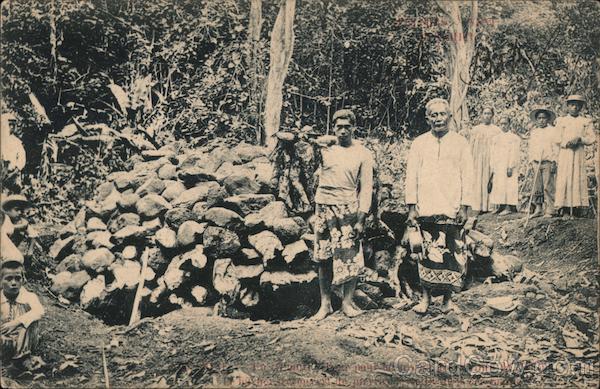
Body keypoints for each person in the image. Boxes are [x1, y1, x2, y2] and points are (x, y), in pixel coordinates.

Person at [405, 98, 474, 314]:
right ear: (427, 119)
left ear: (450, 117)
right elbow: (411, 176)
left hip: (451, 207)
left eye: (442, 114)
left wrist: (464, 206)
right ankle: (425, 300)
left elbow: (468, 176)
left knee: (451, 255)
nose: (438, 119)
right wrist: (412, 207)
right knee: (426, 254)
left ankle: (446, 301)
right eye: (433, 115)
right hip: (426, 208)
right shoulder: (419, 143)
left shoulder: (461, 143)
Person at [311, 109, 374, 320]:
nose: (343, 131)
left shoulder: (363, 153)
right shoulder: (324, 149)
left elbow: (366, 187)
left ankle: (347, 302)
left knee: (350, 256)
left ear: (354, 128)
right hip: (324, 206)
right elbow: (304, 151)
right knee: (323, 256)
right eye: (339, 127)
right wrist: (319, 142)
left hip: (349, 207)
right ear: (333, 128)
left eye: (348, 126)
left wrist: (361, 217)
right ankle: (325, 303)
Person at [1, 211, 44, 370]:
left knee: (29, 321)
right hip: (4, 340)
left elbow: (39, 311)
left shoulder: (28, 296)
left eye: (17, 279)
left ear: (23, 280)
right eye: (9, 279)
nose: (13, 283)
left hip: (22, 338)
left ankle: (21, 359)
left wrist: (17, 322)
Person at [554, 95, 597, 218]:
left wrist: (580, 139)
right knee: (565, 177)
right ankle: (565, 208)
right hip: (565, 153)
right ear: (567, 106)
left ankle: (577, 207)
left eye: (578, 105)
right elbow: (556, 138)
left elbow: (591, 138)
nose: (575, 107)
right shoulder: (561, 121)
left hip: (578, 152)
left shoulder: (585, 121)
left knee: (578, 177)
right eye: (572, 104)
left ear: (581, 107)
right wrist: (566, 143)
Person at [466, 107, 502, 214]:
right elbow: (471, 146)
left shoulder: (497, 130)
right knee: (478, 180)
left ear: (492, 115)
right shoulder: (476, 129)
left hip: (491, 158)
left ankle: (489, 206)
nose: (487, 116)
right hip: (478, 159)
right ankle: (479, 206)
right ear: (482, 115)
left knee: (490, 180)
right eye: (485, 113)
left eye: (489, 113)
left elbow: (500, 147)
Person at [527, 107, 560, 218]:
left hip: (547, 162)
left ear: (548, 119)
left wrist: (554, 161)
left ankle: (551, 209)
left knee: (548, 186)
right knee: (537, 186)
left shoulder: (552, 131)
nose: (541, 120)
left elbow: (556, 148)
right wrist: (532, 161)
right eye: (539, 118)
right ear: (536, 120)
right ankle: (539, 208)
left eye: (544, 118)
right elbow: (531, 148)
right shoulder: (534, 132)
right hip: (536, 162)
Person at [489, 116, 520, 215]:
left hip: (508, 165)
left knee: (509, 185)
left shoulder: (514, 138)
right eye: (501, 124)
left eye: (505, 124)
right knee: (499, 185)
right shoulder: (496, 138)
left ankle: (509, 207)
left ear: (509, 124)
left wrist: (510, 166)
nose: (503, 126)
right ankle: (500, 206)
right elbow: (493, 153)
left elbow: (514, 153)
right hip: (499, 166)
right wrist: (493, 166)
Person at [0, 112, 26, 194]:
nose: (11, 127)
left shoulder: (17, 142)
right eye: (9, 124)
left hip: (13, 175)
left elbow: (22, 158)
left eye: (13, 125)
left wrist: (16, 171)